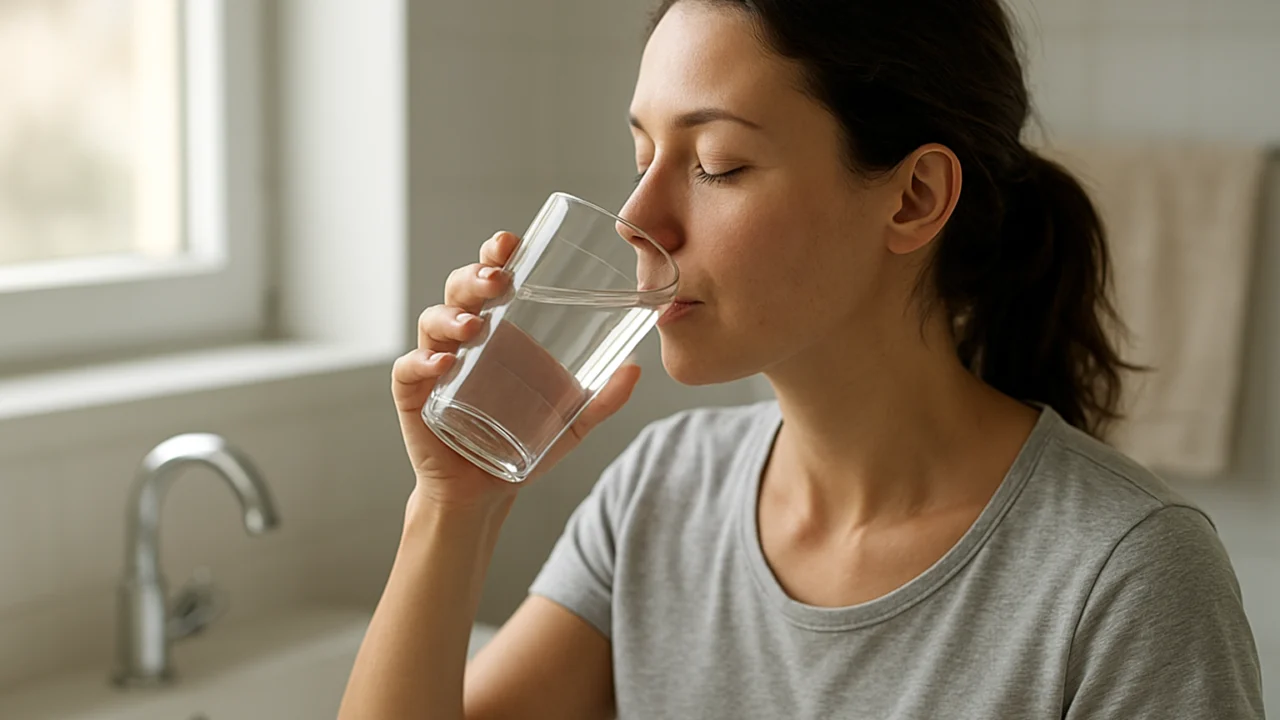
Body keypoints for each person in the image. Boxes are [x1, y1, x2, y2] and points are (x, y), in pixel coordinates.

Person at [340, 0, 1266, 717]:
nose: (637, 221)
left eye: (717, 164)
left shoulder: (1126, 576)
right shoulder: (661, 494)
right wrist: (454, 505)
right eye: (641, 156)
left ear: (913, 199)